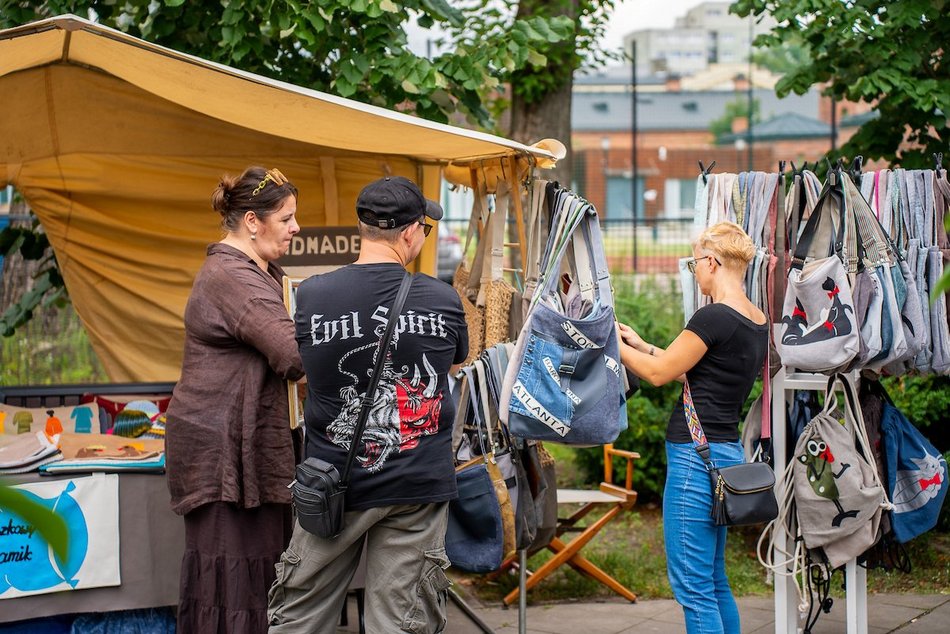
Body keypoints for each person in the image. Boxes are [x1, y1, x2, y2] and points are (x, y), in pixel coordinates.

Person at [267, 176, 468, 633]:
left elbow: (305, 368)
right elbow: (453, 364)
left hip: (332, 483)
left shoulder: (312, 295)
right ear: (411, 232)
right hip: (416, 486)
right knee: (401, 621)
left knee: (299, 616)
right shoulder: (442, 299)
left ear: (362, 228)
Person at [165, 166, 305, 634]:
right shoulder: (231, 275)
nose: (295, 228)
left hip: (245, 447)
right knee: (233, 585)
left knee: (257, 577)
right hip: (223, 453)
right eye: (285, 218)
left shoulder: (258, 271)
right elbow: (292, 352)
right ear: (251, 221)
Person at [616, 221, 767, 634]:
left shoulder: (713, 316)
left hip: (694, 464)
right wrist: (643, 346)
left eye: (693, 262)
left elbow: (661, 374)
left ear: (712, 262)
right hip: (725, 457)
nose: (693, 270)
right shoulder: (755, 319)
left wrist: (611, 345)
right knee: (714, 581)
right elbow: (696, 374)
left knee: (694, 588)